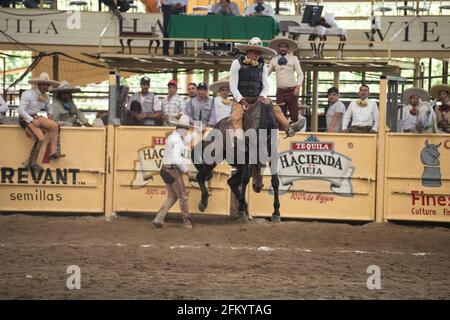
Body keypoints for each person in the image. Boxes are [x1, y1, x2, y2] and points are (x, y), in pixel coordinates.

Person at [230, 37, 305, 139]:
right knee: (237, 116)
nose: (257, 55)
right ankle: (239, 139)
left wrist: (262, 97)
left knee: (275, 108)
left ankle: (289, 128)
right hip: (240, 99)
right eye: (254, 52)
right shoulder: (236, 63)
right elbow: (233, 86)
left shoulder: (263, 65)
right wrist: (241, 100)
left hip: (256, 99)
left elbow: (266, 85)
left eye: (258, 53)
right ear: (248, 51)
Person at [152, 114, 198, 229]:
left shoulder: (175, 137)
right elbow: (177, 159)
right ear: (183, 129)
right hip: (173, 170)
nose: (187, 131)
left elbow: (186, 140)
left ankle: (159, 218)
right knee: (183, 196)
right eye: (187, 129)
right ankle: (187, 222)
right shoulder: (177, 140)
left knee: (172, 196)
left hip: (165, 170)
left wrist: (197, 131)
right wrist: (188, 172)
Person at [18, 72, 64, 171]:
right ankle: (31, 163)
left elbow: (49, 107)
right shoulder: (28, 94)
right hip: (25, 118)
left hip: (36, 117)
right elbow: (20, 110)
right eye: (44, 84)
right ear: (38, 84)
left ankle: (53, 151)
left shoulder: (46, 97)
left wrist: (50, 114)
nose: (46, 87)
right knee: (40, 138)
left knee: (55, 126)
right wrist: (31, 120)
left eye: (47, 84)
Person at [268, 37, 305, 124]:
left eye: (285, 46)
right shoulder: (274, 59)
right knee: (280, 115)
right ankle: (281, 134)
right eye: (281, 46)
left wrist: (298, 87)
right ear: (278, 48)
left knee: (294, 114)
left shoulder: (294, 58)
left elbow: (301, 74)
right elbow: (266, 74)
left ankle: (294, 133)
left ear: (288, 48)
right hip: (280, 91)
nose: (283, 48)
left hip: (292, 90)